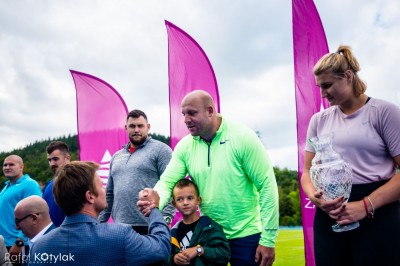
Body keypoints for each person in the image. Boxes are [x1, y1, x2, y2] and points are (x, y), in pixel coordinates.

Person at [139, 90, 279, 266]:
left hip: (246, 235)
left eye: (192, 113)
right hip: (208, 235)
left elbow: (267, 186)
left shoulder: (243, 137)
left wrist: (268, 239)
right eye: (183, 114)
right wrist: (155, 197)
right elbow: (167, 181)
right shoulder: (185, 146)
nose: (186, 120)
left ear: (210, 111)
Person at [300, 45, 400, 265]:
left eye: (327, 85)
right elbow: (306, 172)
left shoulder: (384, 112)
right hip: (330, 215)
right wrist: (315, 197)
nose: (323, 94)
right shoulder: (319, 120)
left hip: (379, 214)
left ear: (347, 77)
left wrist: (365, 205)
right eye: (319, 87)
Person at [29, 161, 170, 265]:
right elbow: (161, 247)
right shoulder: (119, 236)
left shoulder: (38, 247)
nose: (105, 190)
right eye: (101, 186)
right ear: (90, 196)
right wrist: (153, 208)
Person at [99, 109, 174, 233]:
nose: (136, 130)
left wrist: (166, 219)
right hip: (119, 227)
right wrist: (99, 223)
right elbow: (109, 194)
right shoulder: (116, 156)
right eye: (132, 126)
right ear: (126, 128)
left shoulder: (161, 150)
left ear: (148, 127)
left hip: (150, 226)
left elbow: (171, 185)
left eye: (140, 126)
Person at [165, 178, 230, 266]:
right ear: (174, 204)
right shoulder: (173, 233)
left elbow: (224, 255)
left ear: (198, 200)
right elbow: (164, 258)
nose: (185, 203)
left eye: (190, 198)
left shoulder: (211, 227)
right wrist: (173, 259)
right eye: (180, 199)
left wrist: (199, 250)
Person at [0, 155, 42, 265]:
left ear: (21, 167)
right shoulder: (6, 187)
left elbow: (35, 214)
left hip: (17, 244)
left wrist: (20, 242)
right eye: (5, 165)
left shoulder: (29, 184)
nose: (7, 167)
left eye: (11, 164)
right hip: (4, 243)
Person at [43, 141, 71, 227]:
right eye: (49, 160)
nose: (52, 164)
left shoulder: (80, 182)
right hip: (51, 238)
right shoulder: (48, 186)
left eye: (55, 159)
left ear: (67, 158)